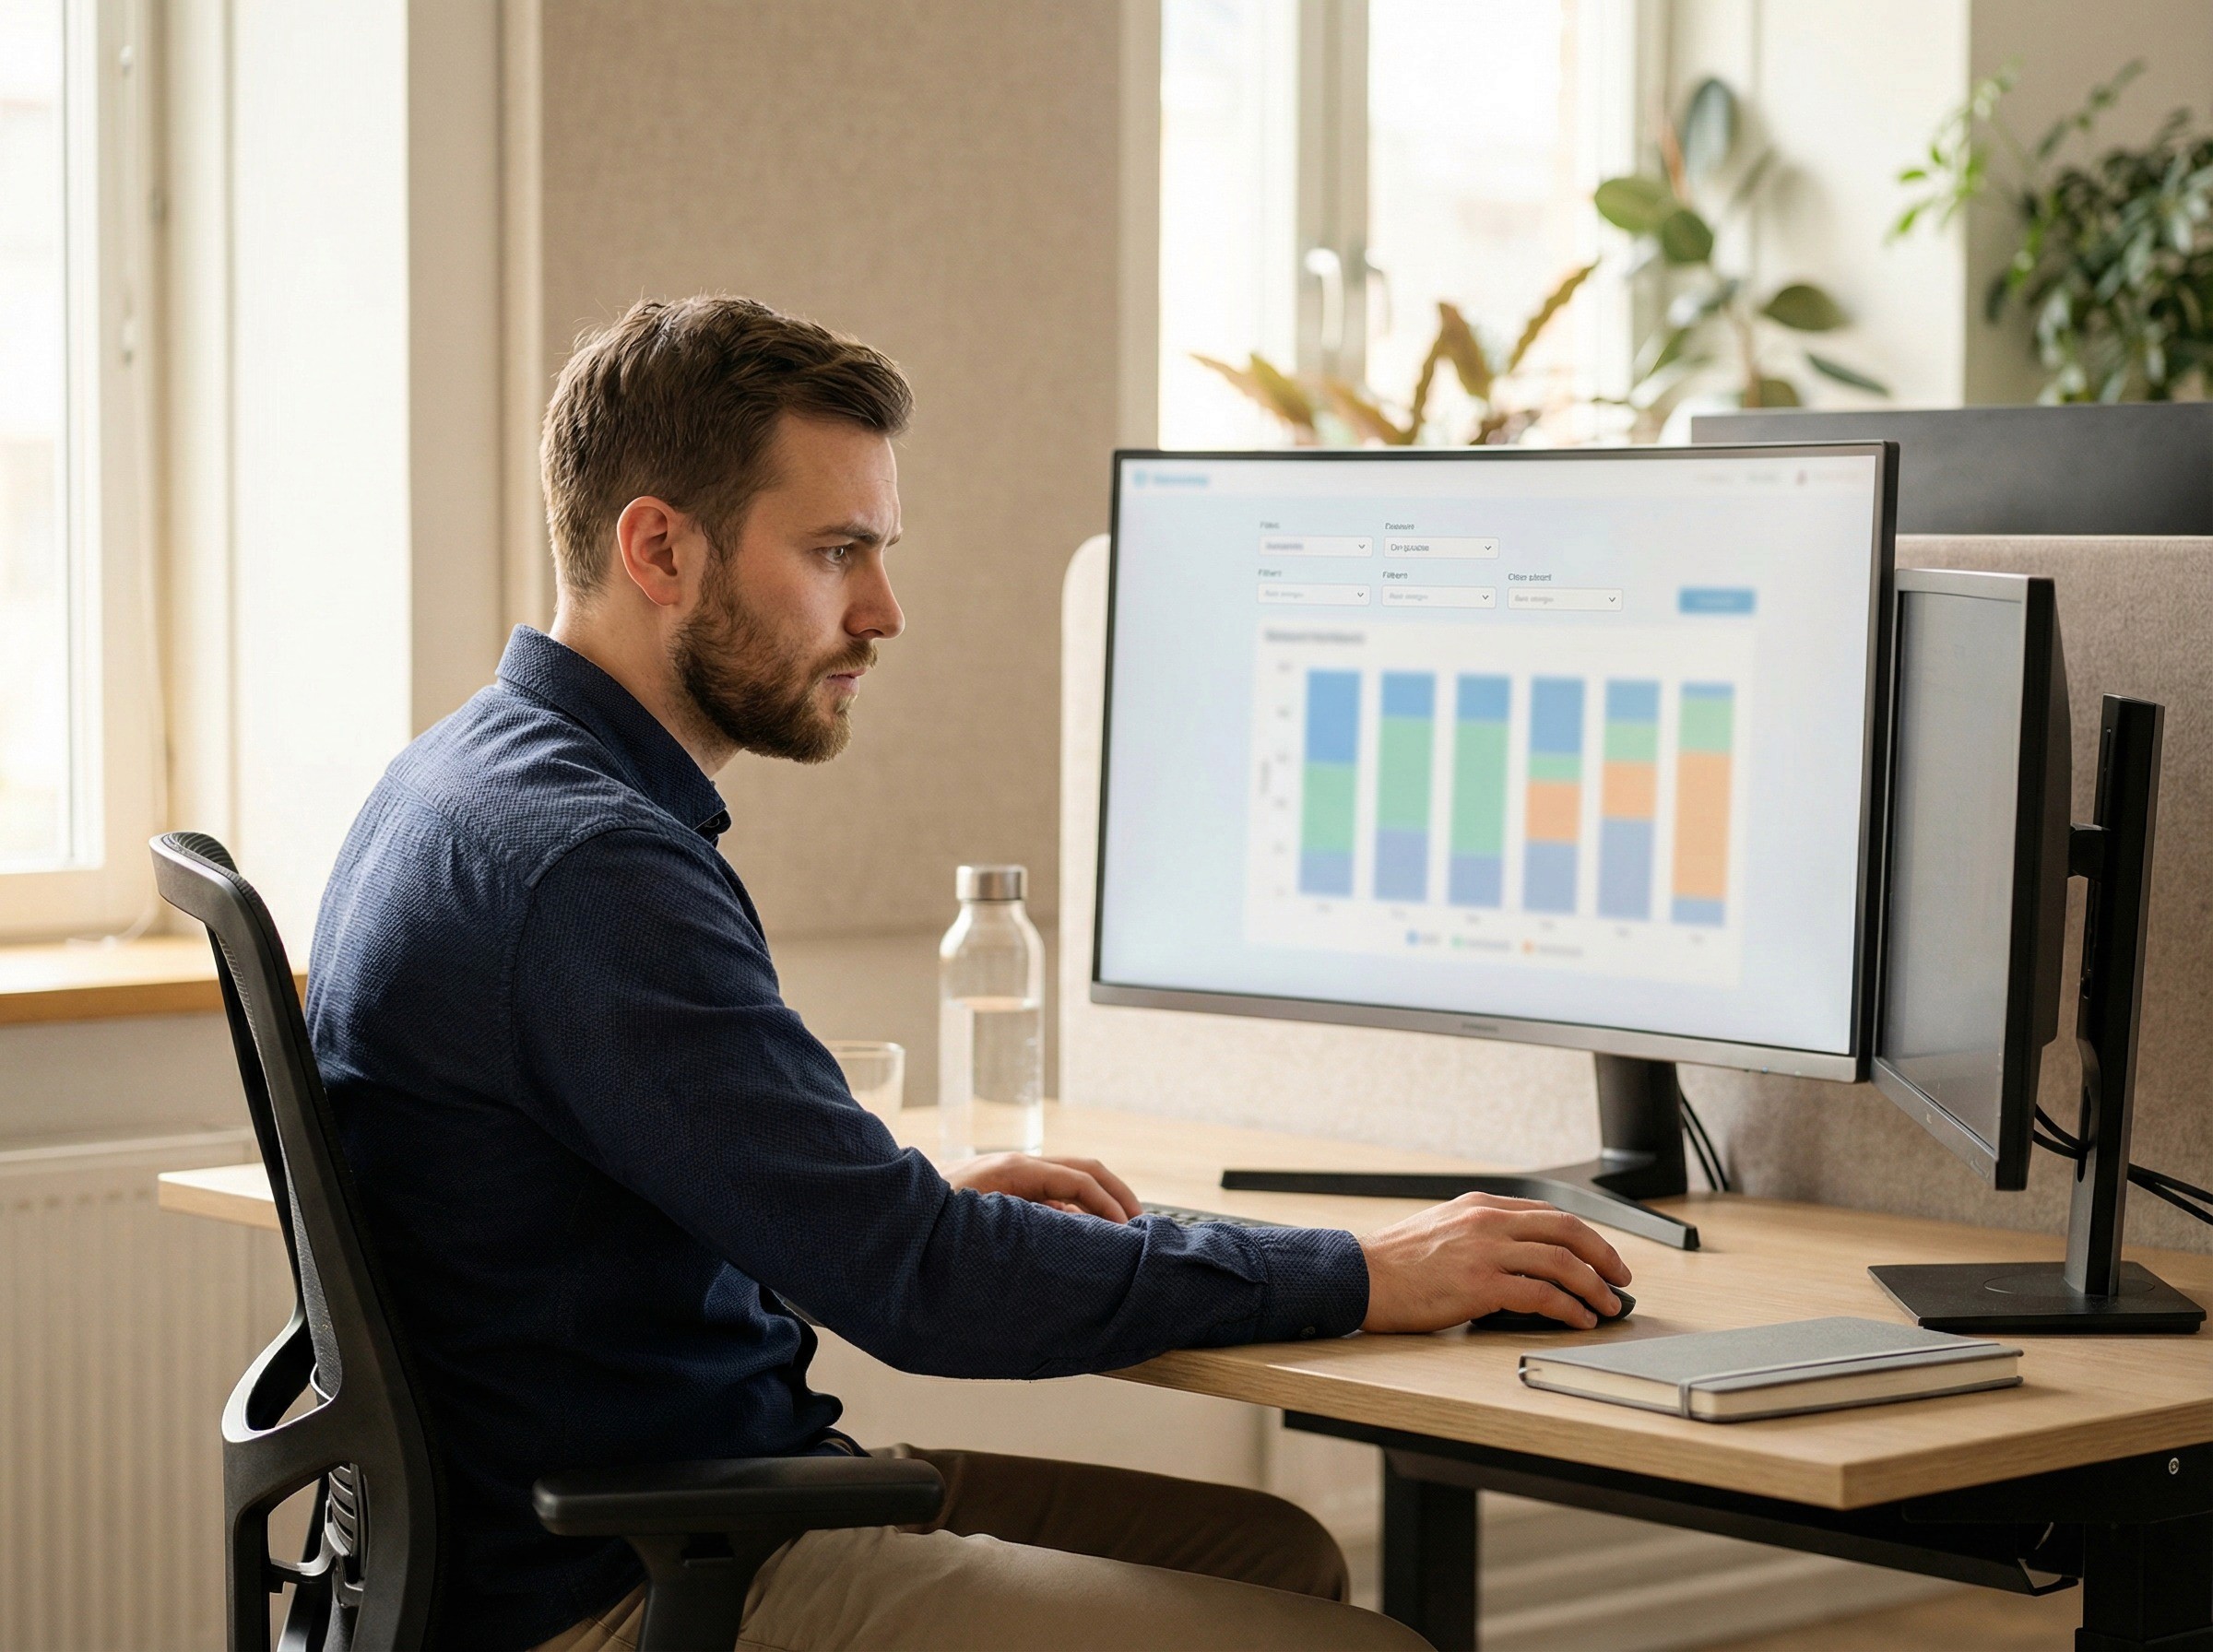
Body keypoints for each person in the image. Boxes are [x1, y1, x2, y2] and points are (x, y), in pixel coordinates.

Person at [307, 294, 1632, 1651]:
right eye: (835, 554)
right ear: (658, 547)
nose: (882, 610)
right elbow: (923, 1292)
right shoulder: (590, 867)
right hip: (630, 1582)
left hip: (616, 1517)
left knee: (1274, 1551)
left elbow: (624, 1207)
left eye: (878, 552)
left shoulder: (467, 781)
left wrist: (887, 1203)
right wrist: (1366, 1272)